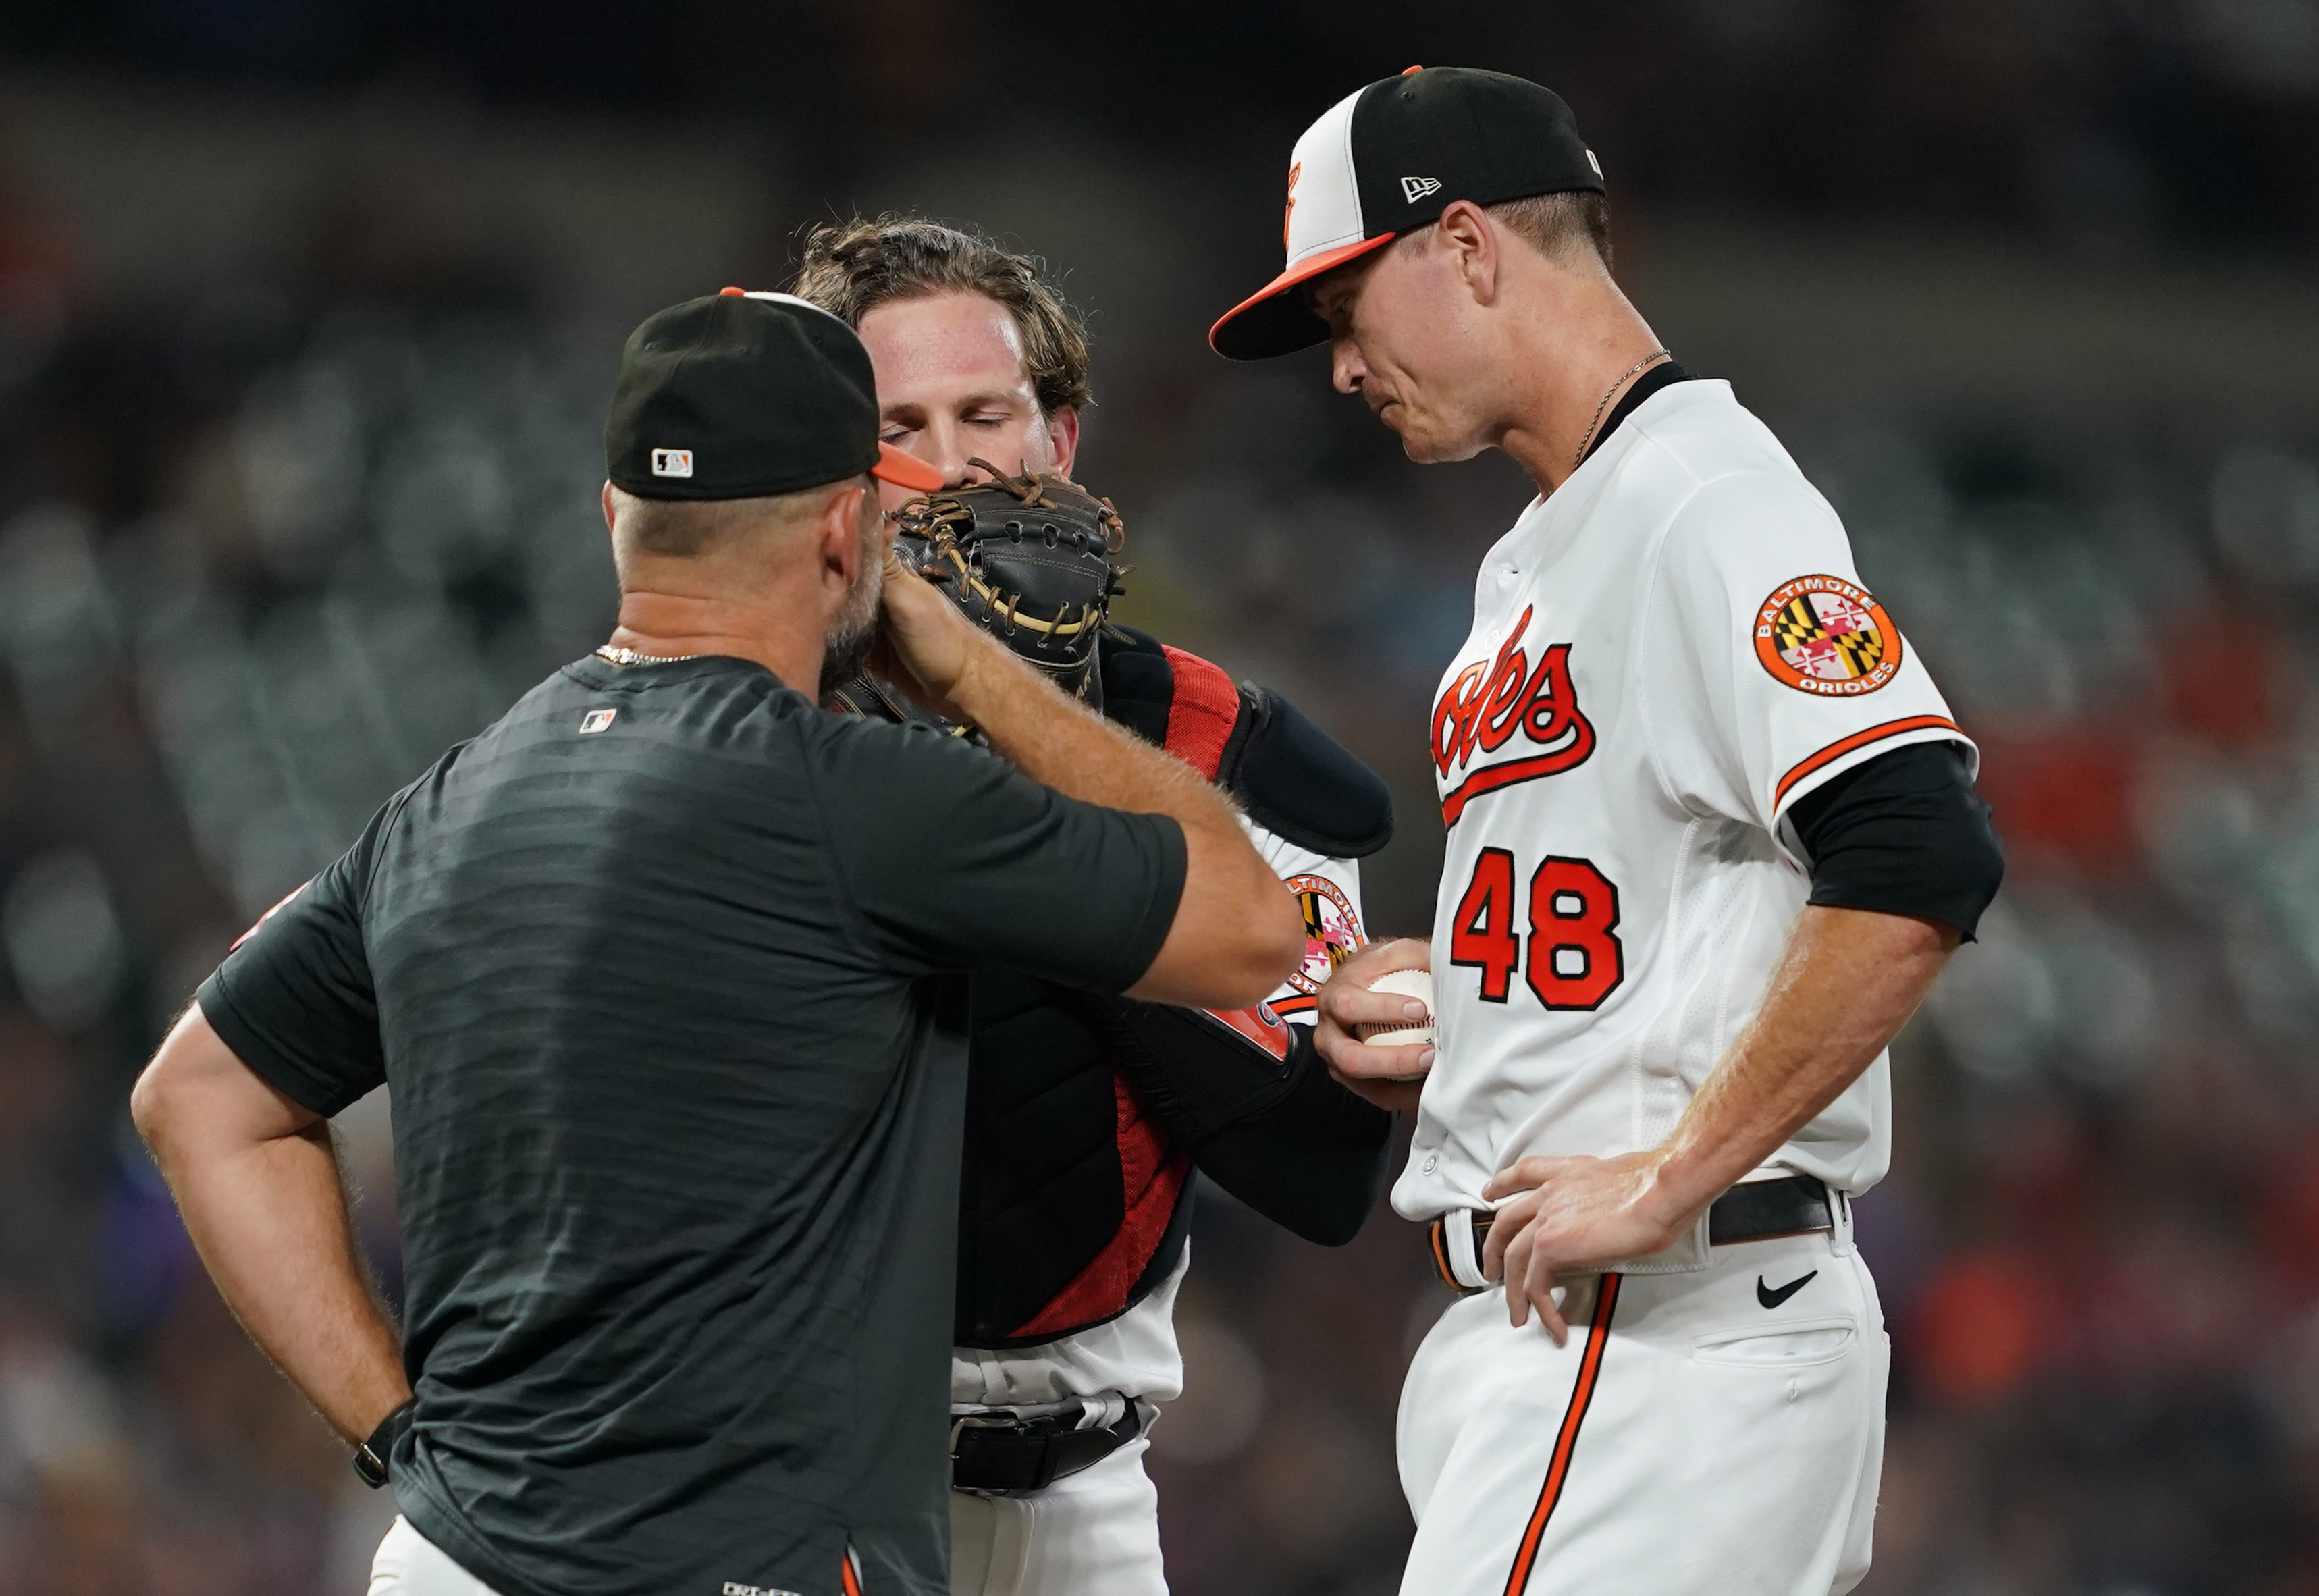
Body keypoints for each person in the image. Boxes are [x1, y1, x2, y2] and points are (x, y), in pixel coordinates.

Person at [128, 288, 1305, 1596]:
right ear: (848, 528)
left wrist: (402, 1434)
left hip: (455, 1560)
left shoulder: (448, 805)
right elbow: (1248, 925)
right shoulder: (859, 800)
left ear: (614, 516)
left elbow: (199, 1099)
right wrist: (973, 672)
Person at [1212, 67, 2006, 1596]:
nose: (1339, 368)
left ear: (1462, 248)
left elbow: (1918, 850)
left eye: (1344, 306)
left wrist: (1668, 1175)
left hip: (1657, 1334)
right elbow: (1676, 913)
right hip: (1609, 1341)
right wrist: (1483, 1009)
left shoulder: (1700, 493)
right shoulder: (1548, 547)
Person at [790, 217, 1398, 1596]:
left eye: (986, 413)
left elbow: (1312, 1170)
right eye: (899, 423)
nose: (949, 463)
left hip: (1090, 1506)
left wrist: (1022, 770)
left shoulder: (1214, 739)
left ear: (1058, 439)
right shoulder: (751, 725)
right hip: (804, 1477)